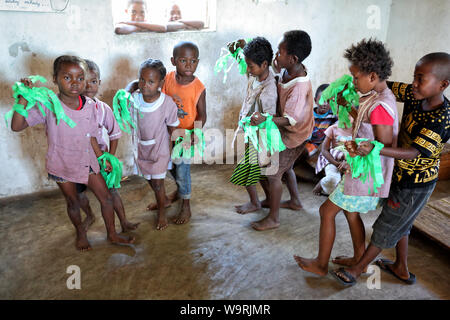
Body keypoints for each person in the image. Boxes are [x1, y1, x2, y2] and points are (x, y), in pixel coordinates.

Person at [331, 52, 450, 286]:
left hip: (416, 184)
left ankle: (358, 268)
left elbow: (415, 152)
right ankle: (401, 268)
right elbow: (385, 86)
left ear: (443, 85)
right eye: (414, 77)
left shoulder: (442, 118)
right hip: (400, 173)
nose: (413, 84)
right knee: (402, 225)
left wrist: (375, 148)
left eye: (421, 79)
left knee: (387, 225)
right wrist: (357, 82)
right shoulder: (416, 94)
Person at [294, 38, 399, 276]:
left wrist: (360, 148)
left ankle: (321, 265)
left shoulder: (381, 105)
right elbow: (368, 123)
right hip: (362, 172)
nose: (353, 81)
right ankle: (358, 257)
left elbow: (382, 145)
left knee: (326, 211)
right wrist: (349, 107)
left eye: (355, 77)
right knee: (351, 214)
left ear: (372, 76)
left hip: (364, 176)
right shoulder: (376, 96)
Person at [10, 55, 134, 251]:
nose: (75, 83)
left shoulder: (92, 106)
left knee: (107, 198)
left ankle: (112, 234)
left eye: (80, 78)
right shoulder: (48, 105)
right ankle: (81, 233)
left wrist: (103, 158)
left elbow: (91, 136)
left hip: (88, 161)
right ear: (55, 79)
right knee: (73, 202)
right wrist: (23, 98)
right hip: (62, 164)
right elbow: (16, 126)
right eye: (67, 77)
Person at [249, 30, 314, 230]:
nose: (276, 55)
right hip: (289, 132)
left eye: (279, 52)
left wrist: (264, 119)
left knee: (273, 173)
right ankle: (294, 201)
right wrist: (277, 69)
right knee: (287, 168)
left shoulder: (300, 86)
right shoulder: (288, 70)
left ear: (293, 58)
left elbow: (290, 119)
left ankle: (273, 218)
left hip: (295, 135)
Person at [75, 59, 139, 233]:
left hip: (100, 159)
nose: (89, 86)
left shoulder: (102, 109)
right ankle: (89, 215)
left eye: (94, 81)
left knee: (112, 192)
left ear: (99, 83)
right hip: (75, 160)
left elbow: (114, 133)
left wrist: (109, 157)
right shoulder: (70, 108)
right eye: (84, 80)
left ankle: (124, 222)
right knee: (78, 195)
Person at [229, 37, 278, 214]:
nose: (247, 70)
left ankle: (255, 202)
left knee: (246, 169)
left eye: (251, 66)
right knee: (255, 171)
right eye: (247, 65)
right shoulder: (256, 75)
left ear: (264, 64)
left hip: (258, 137)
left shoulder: (269, 91)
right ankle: (265, 200)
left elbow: (269, 119)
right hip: (248, 131)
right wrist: (237, 53)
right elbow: (246, 66)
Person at [130, 59, 180, 230]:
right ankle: (164, 200)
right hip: (141, 149)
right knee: (148, 178)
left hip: (160, 150)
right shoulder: (134, 99)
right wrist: (130, 87)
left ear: (161, 83)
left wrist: (183, 145)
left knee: (158, 184)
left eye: (151, 81)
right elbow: (122, 101)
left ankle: (161, 212)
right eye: (142, 80)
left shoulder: (167, 103)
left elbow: (173, 128)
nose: (145, 85)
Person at [312, 122, 352, 196]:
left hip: (350, 161)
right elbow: (324, 150)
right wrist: (336, 163)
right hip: (332, 159)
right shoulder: (333, 128)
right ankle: (322, 183)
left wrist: (348, 163)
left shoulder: (360, 131)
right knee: (332, 179)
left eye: (348, 115)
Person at [303, 84, 337, 162]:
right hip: (306, 143)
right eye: (322, 100)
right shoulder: (308, 114)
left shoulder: (332, 115)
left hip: (318, 146)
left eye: (328, 101)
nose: (325, 104)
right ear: (315, 100)